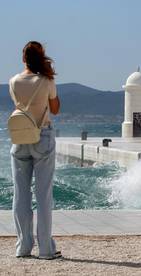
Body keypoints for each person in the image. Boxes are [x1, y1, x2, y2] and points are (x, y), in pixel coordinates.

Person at [9, 41, 61, 260]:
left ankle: (23, 247)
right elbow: (55, 109)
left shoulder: (13, 81)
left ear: (23, 58)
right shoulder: (47, 80)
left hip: (20, 137)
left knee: (20, 195)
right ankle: (46, 249)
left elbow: (21, 108)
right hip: (42, 136)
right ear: (42, 57)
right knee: (43, 195)